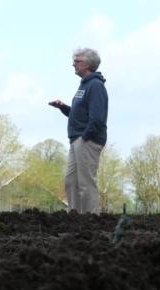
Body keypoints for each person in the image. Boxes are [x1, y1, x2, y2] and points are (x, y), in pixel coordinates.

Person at [48, 48, 108, 215]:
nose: (73, 64)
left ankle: (90, 218)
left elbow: (97, 118)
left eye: (77, 61)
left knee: (85, 182)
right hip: (76, 140)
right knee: (71, 181)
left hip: (87, 140)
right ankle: (75, 217)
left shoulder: (95, 86)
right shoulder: (84, 86)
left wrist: (85, 137)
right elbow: (79, 114)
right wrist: (63, 108)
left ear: (88, 64)